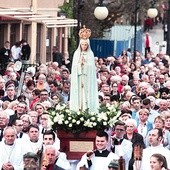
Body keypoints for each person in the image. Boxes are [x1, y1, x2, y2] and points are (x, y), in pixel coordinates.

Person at [70, 26, 99, 113]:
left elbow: (91, 68)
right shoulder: (76, 54)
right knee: (79, 93)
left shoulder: (90, 54)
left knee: (87, 93)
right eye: (82, 44)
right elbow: (74, 68)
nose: (84, 46)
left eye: (86, 45)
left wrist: (85, 64)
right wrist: (80, 65)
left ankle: (88, 109)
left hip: (87, 79)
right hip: (79, 78)